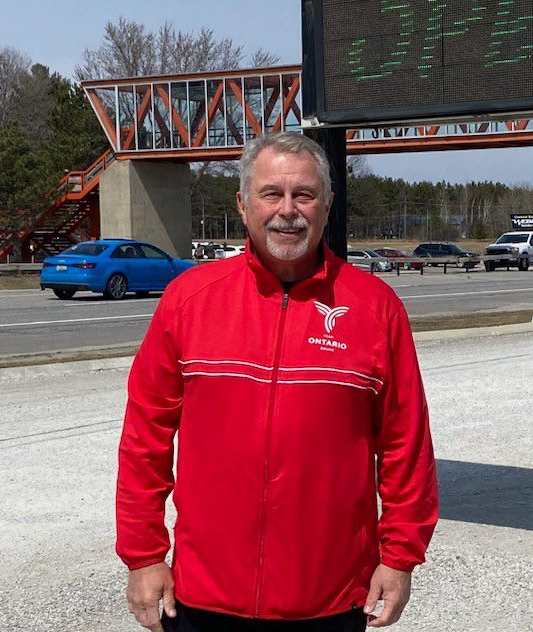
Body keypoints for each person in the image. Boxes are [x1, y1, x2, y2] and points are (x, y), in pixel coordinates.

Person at [116, 133, 438, 632]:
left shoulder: (375, 309)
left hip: (330, 598)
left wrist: (399, 558)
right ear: (243, 205)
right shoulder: (189, 301)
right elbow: (145, 437)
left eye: (304, 194)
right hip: (205, 596)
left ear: (327, 205)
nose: (288, 210)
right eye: (271, 194)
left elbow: (406, 445)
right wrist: (143, 555)